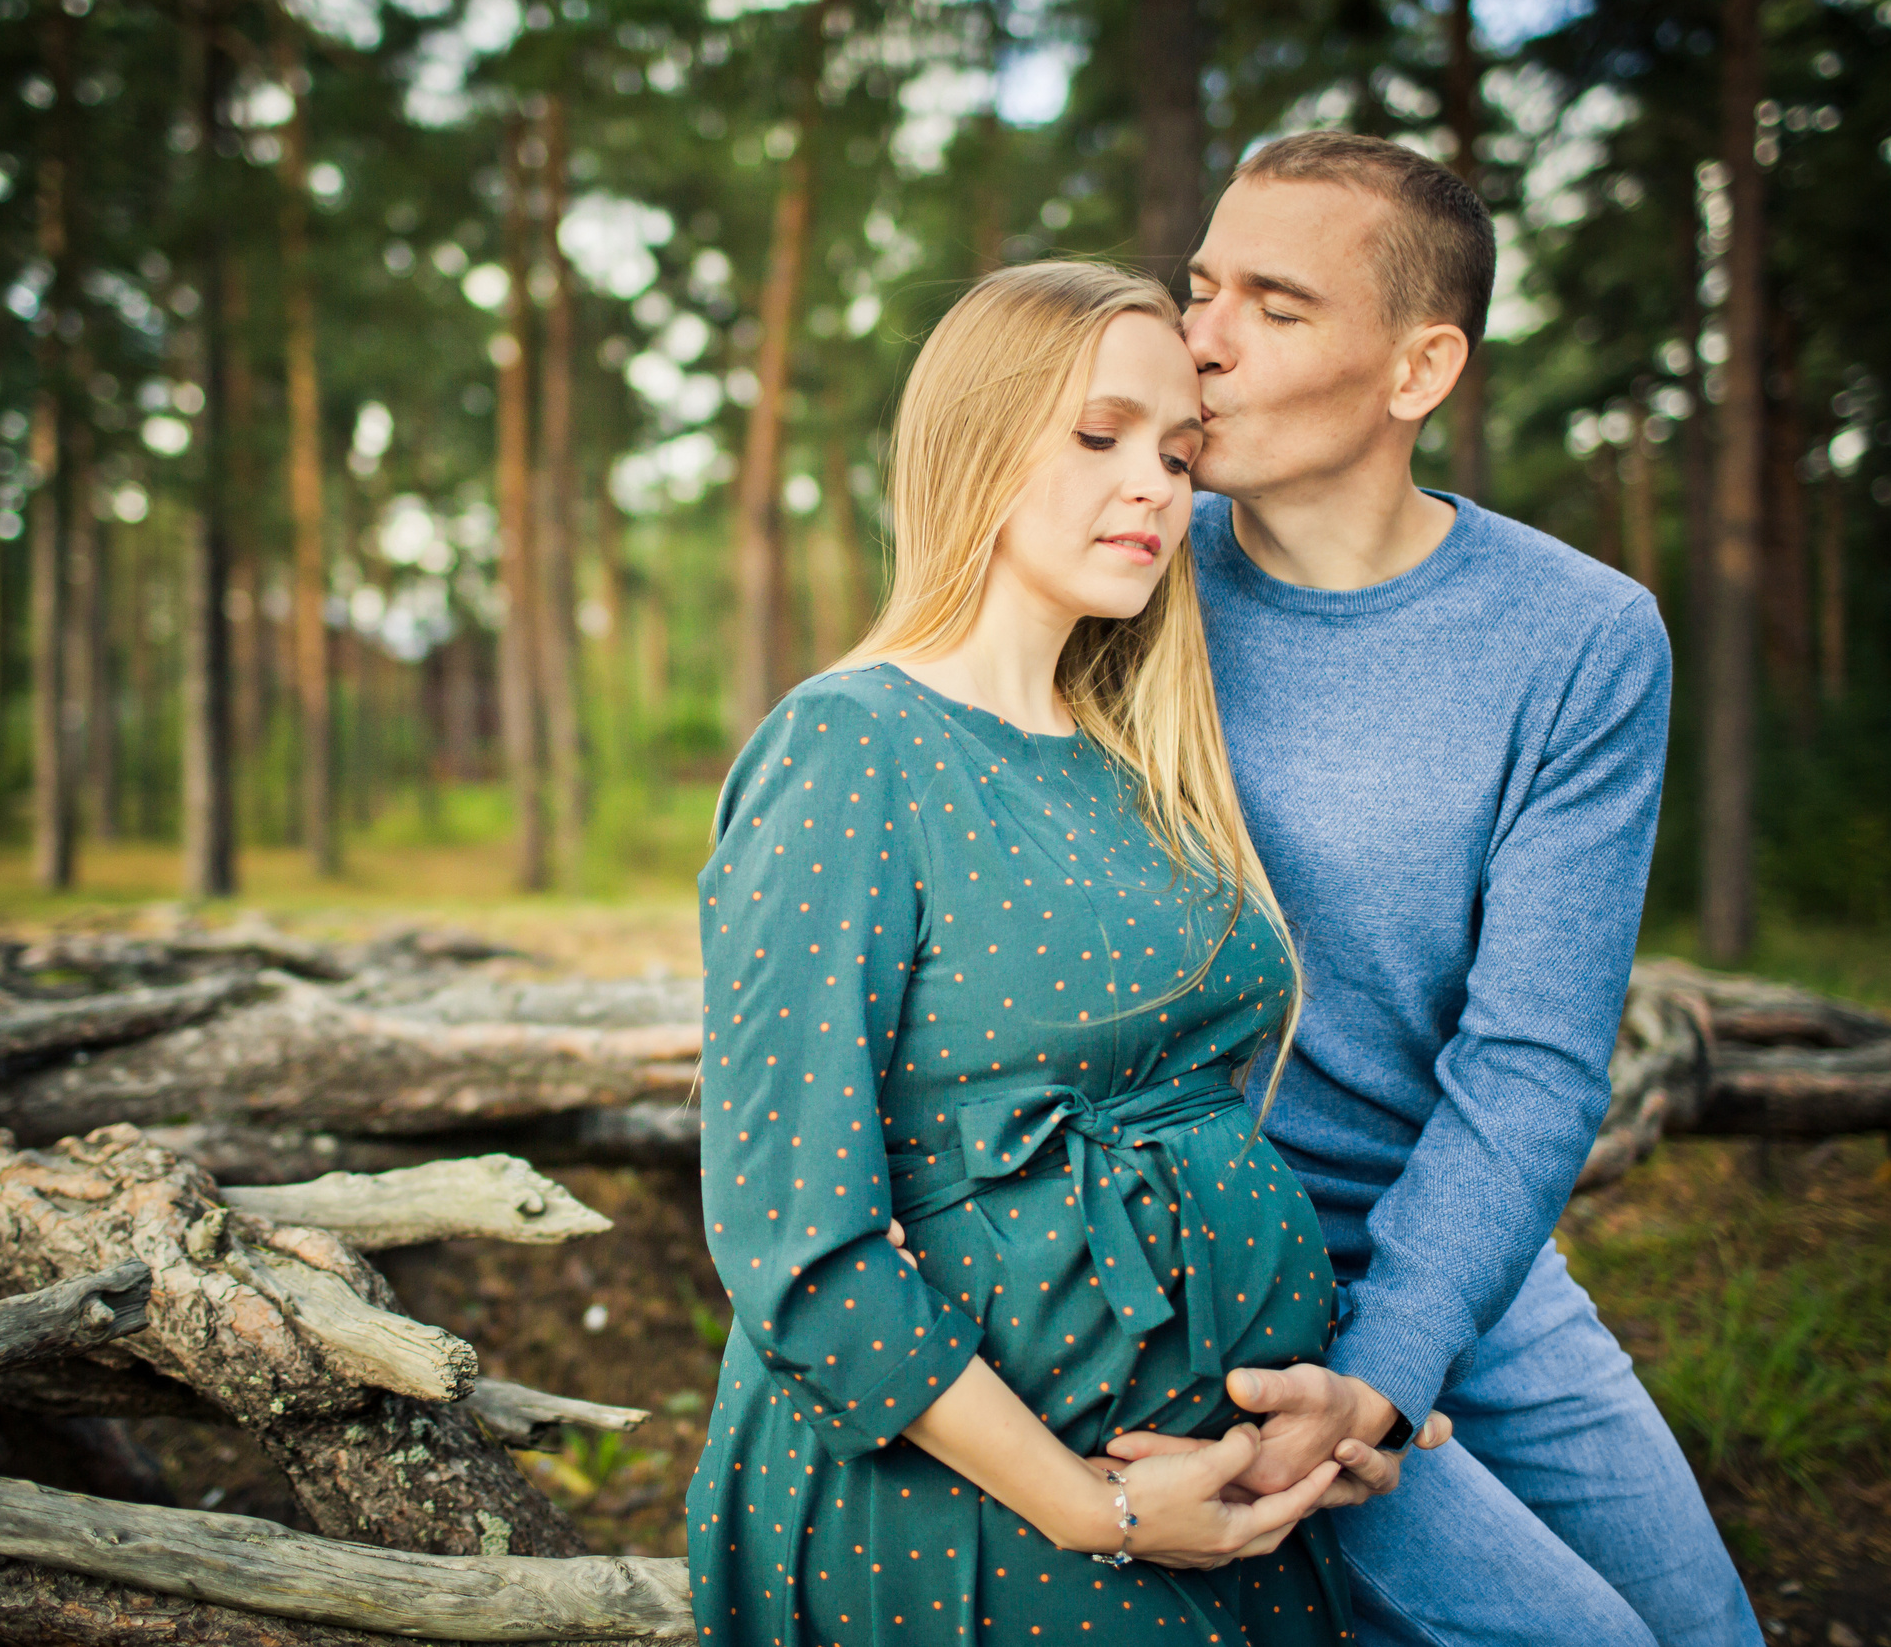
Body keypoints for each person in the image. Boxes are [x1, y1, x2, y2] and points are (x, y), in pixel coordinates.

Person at [684, 261, 1444, 1647]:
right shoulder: (849, 748)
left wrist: (1330, 1406)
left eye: (1176, 451)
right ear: (976, 437)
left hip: (1236, 1503)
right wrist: (1099, 1511)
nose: (1154, 485)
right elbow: (800, 1247)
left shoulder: (1140, 767)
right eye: (1099, 436)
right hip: (989, 1518)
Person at [1103, 131, 1765, 1647]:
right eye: (1199, 288)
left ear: (1418, 372)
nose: (1198, 343)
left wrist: (1392, 1366)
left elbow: (1533, 1058)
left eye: (1275, 308)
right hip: (1201, 1273)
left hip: (1464, 1250)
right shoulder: (1130, 581)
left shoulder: (1582, 640)